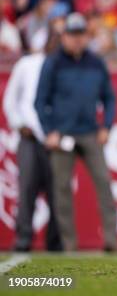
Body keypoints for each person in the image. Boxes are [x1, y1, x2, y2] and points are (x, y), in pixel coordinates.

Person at [34, 12, 117, 252]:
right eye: (72, 34)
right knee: (61, 192)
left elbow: (109, 98)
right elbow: (40, 101)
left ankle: (111, 240)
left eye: (81, 34)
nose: (77, 39)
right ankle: (69, 245)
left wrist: (107, 126)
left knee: (104, 184)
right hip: (62, 135)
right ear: (64, 37)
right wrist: (49, 130)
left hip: (90, 131)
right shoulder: (53, 62)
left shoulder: (95, 62)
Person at [3, 31, 62, 252]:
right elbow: (11, 99)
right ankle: (23, 240)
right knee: (27, 188)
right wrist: (19, 124)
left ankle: (55, 243)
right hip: (29, 137)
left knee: (58, 192)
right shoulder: (27, 64)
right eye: (53, 37)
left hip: (55, 138)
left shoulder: (63, 67)